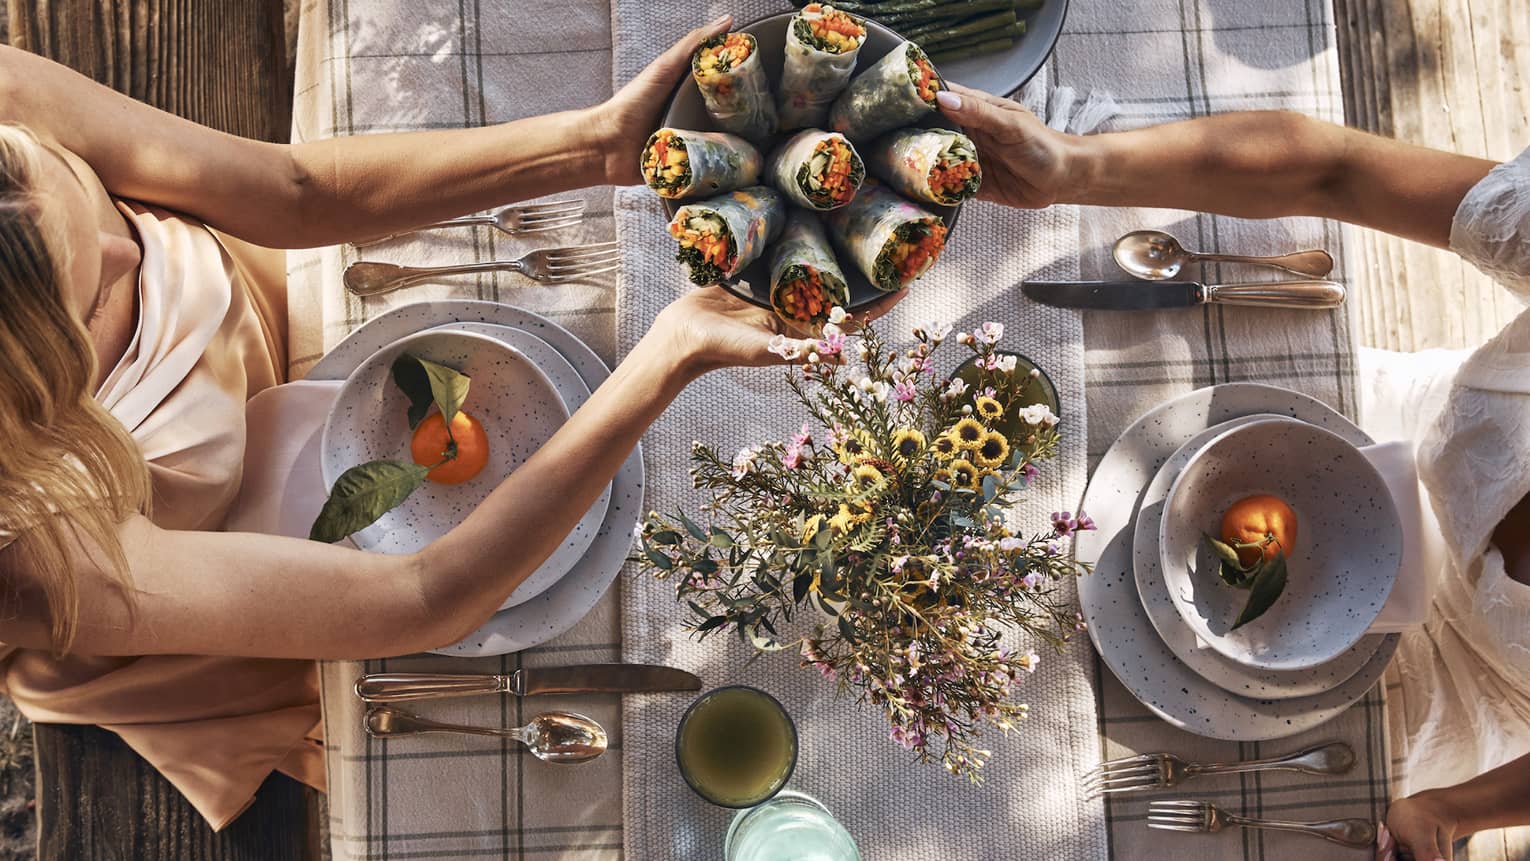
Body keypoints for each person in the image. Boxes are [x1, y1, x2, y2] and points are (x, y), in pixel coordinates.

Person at [0, 14, 898, 830]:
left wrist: (597, 143)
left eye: (71, 189)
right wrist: (665, 359)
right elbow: (423, 599)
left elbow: (294, 186)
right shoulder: (28, 553)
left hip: (279, 313)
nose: (134, 247)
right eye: (92, 299)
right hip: (234, 572)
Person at [934, 84, 1530, 860]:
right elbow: (1334, 170)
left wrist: (1451, 812)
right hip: (1391, 438)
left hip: (1470, 687)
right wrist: (1075, 166)